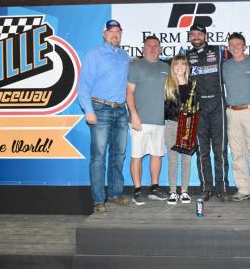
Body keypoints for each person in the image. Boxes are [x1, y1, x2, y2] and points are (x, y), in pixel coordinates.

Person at [78, 19, 130, 213]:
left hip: (120, 110)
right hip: (100, 108)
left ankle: (115, 194)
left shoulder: (124, 56)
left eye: (117, 32)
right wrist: (89, 111)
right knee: (98, 157)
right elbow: (83, 85)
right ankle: (99, 199)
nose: (114, 35)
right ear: (104, 34)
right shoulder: (94, 54)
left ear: (121, 34)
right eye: (111, 32)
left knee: (118, 155)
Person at [185, 24, 230, 202]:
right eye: (192, 34)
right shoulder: (186, 54)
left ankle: (222, 188)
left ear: (205, 35)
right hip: (198, 106)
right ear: (190, 37)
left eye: (199, 34)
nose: (196, 36)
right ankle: (206, 188)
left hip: (218, 103)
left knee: (219, 151)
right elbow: (170, 64)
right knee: (202, 151)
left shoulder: (219, 51)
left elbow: (239, 57)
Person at [222, 33, 250, 204]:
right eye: (231, 44)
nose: (235, 47)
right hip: (231, 112)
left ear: (245, 46)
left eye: (238, 44)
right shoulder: (225, 66)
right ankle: (243, 189)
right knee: (237, 152)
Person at [127, 35, 169, 205]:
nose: (152, 48)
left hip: (160, 120)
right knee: (137, 155)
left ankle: (154, 187)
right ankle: (137, 190)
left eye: (156, 45)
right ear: (143, 48)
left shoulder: (166, 67)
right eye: (149, 45)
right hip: (140, 120)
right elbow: (129, 92)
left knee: (157, 155)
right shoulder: (135, 65)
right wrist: (134, 114)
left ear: (160, 49)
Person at [164, 55, 192, 204]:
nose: (180, 67)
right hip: (171, 125)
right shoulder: (167, 84)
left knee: (186, 160)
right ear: (172, 66)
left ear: (187, 67)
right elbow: (165, 108)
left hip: (188, 125)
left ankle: (185, 191)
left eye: (183, 64)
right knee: (173, 160)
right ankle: (173, 191)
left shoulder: (192, 84)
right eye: (177, 64)